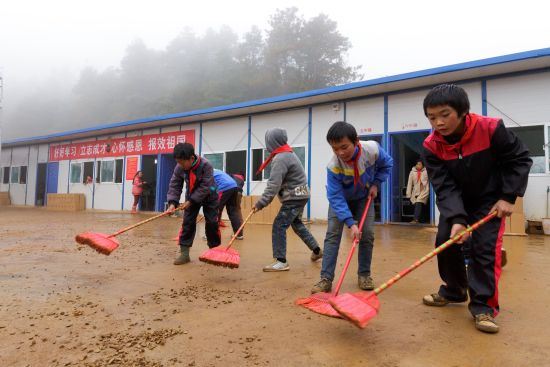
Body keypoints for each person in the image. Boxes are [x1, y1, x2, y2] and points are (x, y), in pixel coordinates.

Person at [421, 84, 532, 333]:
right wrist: (458, 218)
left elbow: (520, 159)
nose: (438, 122)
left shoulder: (490, 128)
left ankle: (483, 307)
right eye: (432, 117)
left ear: (462, 112)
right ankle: (455, 289)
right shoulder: (431, 146)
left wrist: (508, 196)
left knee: (484, 248)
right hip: (457, 200)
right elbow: (445, 186)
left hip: (490, 200)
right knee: (445, 241)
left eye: (445, 114)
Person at [311, 121, 393, 294]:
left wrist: (376, 183)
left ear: (356, 141)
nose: (340, 153)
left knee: (368, 234)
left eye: (344, 147)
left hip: (364, 197)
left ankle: (364, 275)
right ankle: (325, 279)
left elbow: (387, 164)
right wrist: (350, 223)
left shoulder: (372, 150)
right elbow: (335, 196)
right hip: (341, 200)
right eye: (334, 149)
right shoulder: (333, 166)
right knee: (333, 235)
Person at [254, 127, 322, 272]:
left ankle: (281, 261)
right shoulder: (288, 153)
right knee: (296, 224)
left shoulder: (281, 158)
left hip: (294, 197)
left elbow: (274, 184)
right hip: (301, 195)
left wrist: (261, 203)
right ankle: (316, 250)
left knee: (279, 225)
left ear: (272, 142)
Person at [167, 143, 220, 265]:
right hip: (191, 195)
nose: (180, 165)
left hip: (209, 194)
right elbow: (175, 185)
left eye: (182, 162)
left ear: (191, 158)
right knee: (188, 222)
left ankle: (214, 251)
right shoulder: (179, 167)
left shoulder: (206, 165)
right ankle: (184, 254)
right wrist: (172, 203)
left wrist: (191, 201)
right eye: (178, 162)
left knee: (212, 222)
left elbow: (205, 186)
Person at [213, 169, 244, 239]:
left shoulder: (205, 172)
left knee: (215, 210)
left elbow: (211, 188)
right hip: (234, 187)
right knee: (233, 211)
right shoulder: (215, 171)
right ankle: (239, 234)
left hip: (224, 188)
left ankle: (212, 234)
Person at [406, 159, 429, 223]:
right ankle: (422, 221)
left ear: (423, 165)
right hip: (415, 191)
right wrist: (408, 194)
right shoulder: (412, 172)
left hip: (424, 190)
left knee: (419, 202)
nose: (418, 165)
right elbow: (409, 183)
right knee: (418, 205)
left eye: (420, 164)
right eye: (417, 164)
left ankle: (415, 219)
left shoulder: (426, 171)